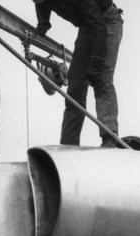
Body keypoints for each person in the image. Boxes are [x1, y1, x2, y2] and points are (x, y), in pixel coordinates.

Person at [33, 0, 124, 147]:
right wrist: (43, 23)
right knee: (75, 86)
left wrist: (96, 61)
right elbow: (41, 4)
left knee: (101, 78)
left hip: (106, 22)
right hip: (87, 26)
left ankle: (109, 137)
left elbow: (98, 24)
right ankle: (69, 143)